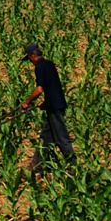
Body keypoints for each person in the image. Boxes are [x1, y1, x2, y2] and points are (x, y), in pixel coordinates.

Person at [20, 41, 75, 170]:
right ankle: (38, 166)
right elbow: (52, 85)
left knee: (61, 138)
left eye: (29, 59)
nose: (30, 62)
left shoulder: (39, 67)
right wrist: (46, 102)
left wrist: (27, 102)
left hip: (55, 107)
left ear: (33, 55)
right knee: (45, 138)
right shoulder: (49, 64)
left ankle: (73, 166)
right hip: (56, 104)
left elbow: (39, 89)